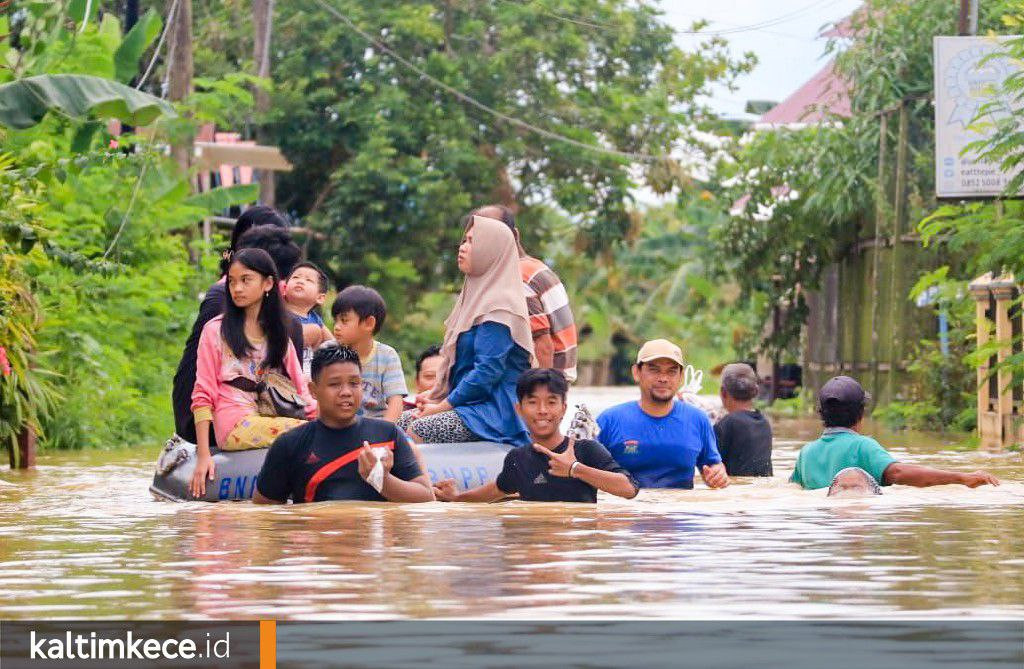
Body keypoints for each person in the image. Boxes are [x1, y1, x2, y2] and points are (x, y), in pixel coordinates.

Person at [189, 248, 317, 498]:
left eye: (246, 280)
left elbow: (302, 394)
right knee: (306, 434)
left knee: (320, 428)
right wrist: (204, 455)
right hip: (232, 421)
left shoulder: (280, 336)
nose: (237, 288)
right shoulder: (215, 331)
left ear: (268, 283)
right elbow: (202, 396)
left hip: (271, 415)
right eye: (233, 281)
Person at [398, 215, 534, 446]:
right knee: (396, 421)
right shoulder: (474, 297)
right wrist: (433, 395)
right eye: (464, 241)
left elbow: (487, 372)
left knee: (420, 427)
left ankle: (423, 482)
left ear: (491, 251)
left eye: (472, 242)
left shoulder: (500, 304)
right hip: (469, 404)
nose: (462, 248)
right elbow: (460, 366)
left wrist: (441, 407)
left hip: (496, 411)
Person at [171, 208, 293, 444]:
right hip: (208, 415)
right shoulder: (224, 297)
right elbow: (203, 381)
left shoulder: (269, 299)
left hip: (252, 411)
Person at [253, 344, 434, 504]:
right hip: (319, 540)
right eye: (334, 384)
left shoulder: (387, 434)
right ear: (313, 390)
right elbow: (265, 514)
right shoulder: (290, 444)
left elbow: (425, 497)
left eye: (354, 383)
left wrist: (381, 479)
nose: (346, 392)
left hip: (373, 542)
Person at [434, 369, 639, 503]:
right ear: (519, 409)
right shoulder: (517, 458)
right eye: (532, 402)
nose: (542, 410)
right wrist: (457, 498)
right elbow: (497, 489)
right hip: (532, 545)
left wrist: (575, 469)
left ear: (563, 409)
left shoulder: (585, 450)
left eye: (551, 402)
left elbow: (629, 488)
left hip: (573, 548)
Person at [791, 376, 1000, 490]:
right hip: (856, 530)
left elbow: (793, 490)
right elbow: (898, 473)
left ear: (821, 414)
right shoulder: (863, 446)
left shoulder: (806, 453)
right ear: (861, 414)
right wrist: (962, 478)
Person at [597, 339, 729, 489]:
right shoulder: (609, 421)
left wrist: (718, 475)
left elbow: (713, 466)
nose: (663, 378)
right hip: (627, 510)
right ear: (636, 372)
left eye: (671, 371)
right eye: (654, 370)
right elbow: (586, 471)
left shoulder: (698, 420)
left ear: (681, 377)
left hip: (679, 511)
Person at [474, 204, 577, 382]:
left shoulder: (516, 277)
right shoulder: (534, 267)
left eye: (494, 234)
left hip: (543, 382)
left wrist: (542, 393)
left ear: (514, 235)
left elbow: (543, 345)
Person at [331, 285, 407, 422]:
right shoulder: (330, 354)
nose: (336, 327)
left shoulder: (387, 356)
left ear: (369, 323)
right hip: (340, 425)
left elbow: (396, 401)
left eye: (344, 320)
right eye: (335, 320)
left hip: (377, 424)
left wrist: (386, 431)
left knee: (407, 443)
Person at [714, 363, 773, 476]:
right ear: (755, 391)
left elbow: (711, 465)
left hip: (735, 490)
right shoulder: (764, 423)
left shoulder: (727, 424)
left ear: (723, 392)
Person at [283, 261, 334, 377]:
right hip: (283, 370)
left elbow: (333, 344)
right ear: (285, 290)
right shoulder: (279, 312)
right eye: (295, 277)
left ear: (320, 298)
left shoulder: (315, 318)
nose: (300, 281)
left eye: (308, 280)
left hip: (307, 373)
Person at [405, 345, 443, 410]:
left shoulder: (464, 413)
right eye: (429, 376)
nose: (437, 384)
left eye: (445, 377)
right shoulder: (399, 412)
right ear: (417, 383)